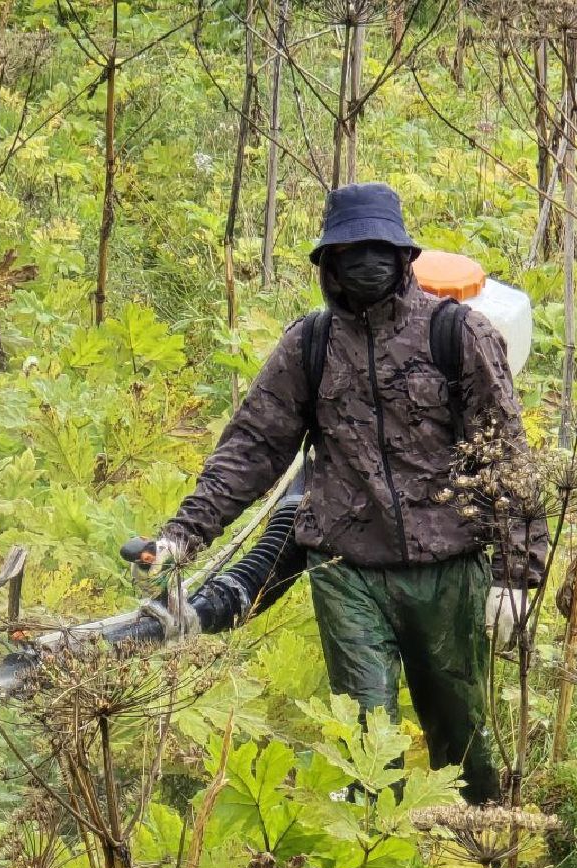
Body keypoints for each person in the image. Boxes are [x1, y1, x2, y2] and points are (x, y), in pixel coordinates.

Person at [138, 182, 547, 804]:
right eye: (351, 251)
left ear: (404, 256)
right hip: (346, 572)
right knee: (363, 747)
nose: (366, 262)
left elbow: (507, 455)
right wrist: (181, 535)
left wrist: (516, 576)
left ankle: (484, 846)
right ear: (329, 261)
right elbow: (253, 446)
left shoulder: (458, 334)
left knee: (465, 744)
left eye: (379, 249)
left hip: (449, 571)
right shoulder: (311, 345)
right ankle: (366, 857)